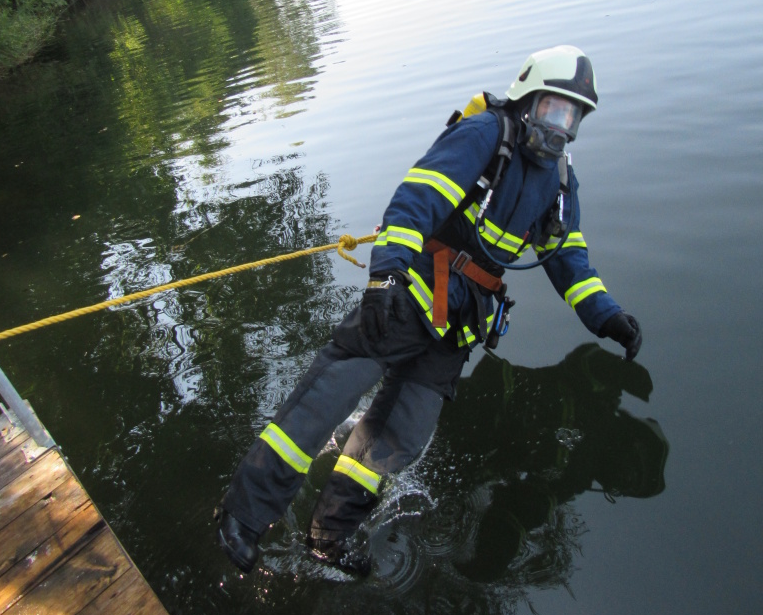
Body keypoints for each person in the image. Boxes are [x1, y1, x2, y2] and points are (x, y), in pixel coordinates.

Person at [216, 45, 642, 576]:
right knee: (329, 394)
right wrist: (386, 275)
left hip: (460, 323)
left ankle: (330, 534)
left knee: (403, 435)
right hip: (411, 290)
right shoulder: (487, 134)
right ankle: (244, 514)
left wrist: (605, 316)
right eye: (555, 108)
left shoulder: (559, 182)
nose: (562, 125)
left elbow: (568, 259)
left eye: (574, 115)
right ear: (528, 99)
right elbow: (416, 199)